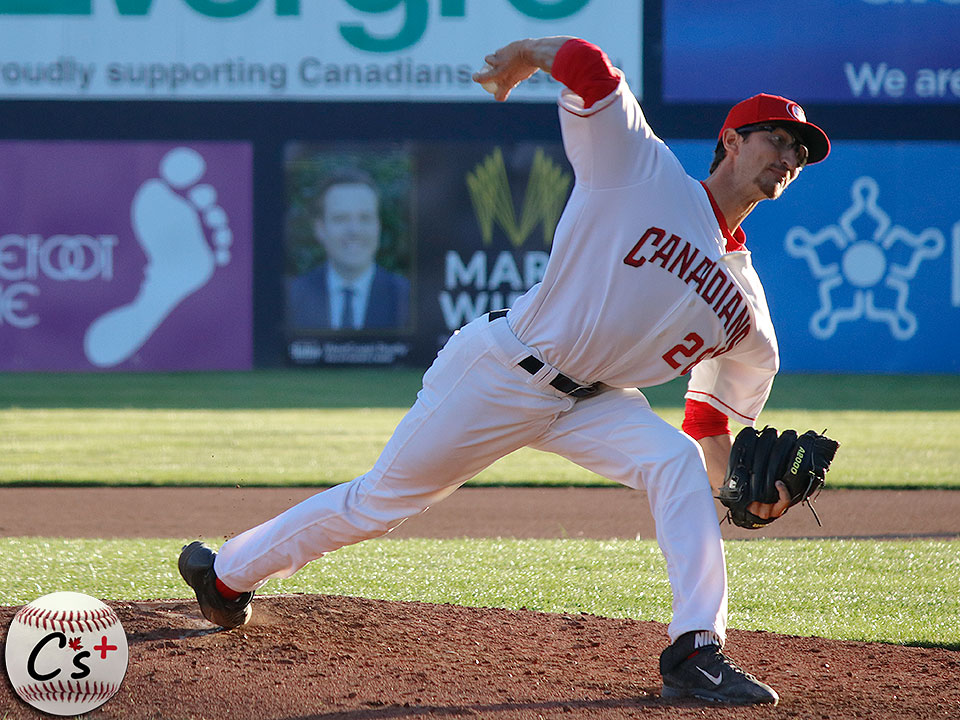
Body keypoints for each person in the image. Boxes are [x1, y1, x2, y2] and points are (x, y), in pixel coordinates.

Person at [180, 36, 830, 706]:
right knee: (380, 503)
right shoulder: (643, 170)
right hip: (504, 370)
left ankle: (697, 649)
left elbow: (708, 426)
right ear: (730, 140)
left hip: (598, 402)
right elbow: (588, 64)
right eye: (776, 138)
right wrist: (526, 53)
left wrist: (742, 498)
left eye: (800, 153)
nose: (787, 157)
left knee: (674, 461)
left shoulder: (749, 313)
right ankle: (225, 576)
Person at [286, 168, 410, 330]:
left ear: (378, 226)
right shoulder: (292, 298)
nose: (354, 230)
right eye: (341, 219)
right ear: (320, 228)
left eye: (365, 218)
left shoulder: (406, 297)